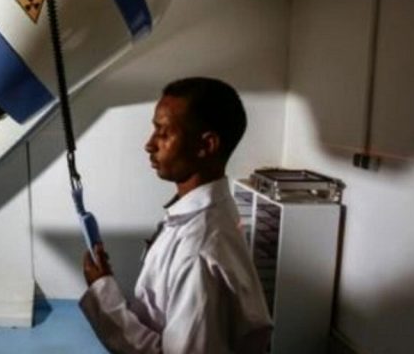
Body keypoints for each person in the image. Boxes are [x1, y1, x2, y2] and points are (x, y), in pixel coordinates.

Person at [80, 77, 272, 354]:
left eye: (164, 132)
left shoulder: (198, 252)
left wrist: (102, 293)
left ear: (206, 145)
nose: (149, 144)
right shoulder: (209, 214)